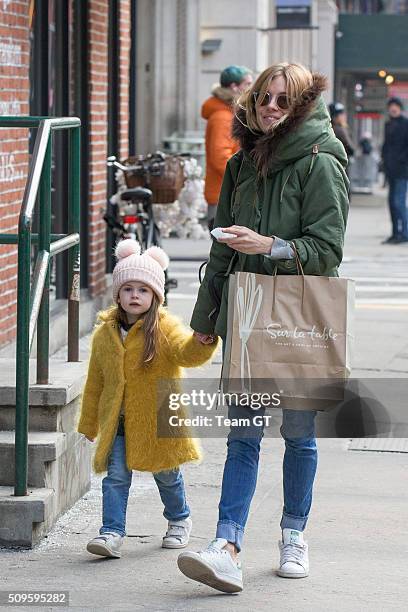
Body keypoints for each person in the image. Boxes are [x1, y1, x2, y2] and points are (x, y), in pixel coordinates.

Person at [177, 62, 349, 593]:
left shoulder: (321, 160)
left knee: (298, 436)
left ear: (299, 106)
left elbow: (327, 250)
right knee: (243, 437)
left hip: (297, 317)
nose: (271, 107)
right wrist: (206, 319)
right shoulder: (241, 163)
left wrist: (270, 246)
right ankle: (226, 544)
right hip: (247, 314)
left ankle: (293, 534)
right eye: (264, 98)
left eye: (282, 100)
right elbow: (220, 248)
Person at [77, 240, 218, 559]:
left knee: (167, 474)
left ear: (155, 295)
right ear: (118, 294)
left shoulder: (164, 328)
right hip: (119, 421)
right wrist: (89, 422)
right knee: (115, 479)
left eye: (143, 289)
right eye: (128, 289)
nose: (135, 295)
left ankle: (180, 519)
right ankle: (111, 531)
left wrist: (203, 341)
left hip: (157, 418)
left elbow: (186, 354)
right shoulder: (105, 333)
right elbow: (95, 381)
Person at [202, 65, 253, 231]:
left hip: (228, 193)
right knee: (225, 252)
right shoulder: (222, 117)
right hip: (223, 195)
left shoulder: (228, 113)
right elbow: (220, 158)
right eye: (248, 84)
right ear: (234, 87)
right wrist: (246, 177)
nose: (251, 89)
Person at [381, 97, 408, 244]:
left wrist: (402, 160)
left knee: (399, 202)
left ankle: (404, 233)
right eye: (391, 106)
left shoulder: (406, 123)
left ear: (400, 108)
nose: (393, 108)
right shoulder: (388, 124)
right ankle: (395, 233)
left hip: (402, 170)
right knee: (392, 203)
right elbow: (386, 145)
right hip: (390, 170)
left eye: (396, 106)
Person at [329, 102, 355, 173]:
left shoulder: (330, 128)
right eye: (341, 114)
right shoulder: (340, 130)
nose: (344, 116)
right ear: (335, 117)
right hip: (341, 163)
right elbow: (351, 148)